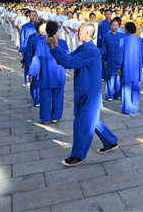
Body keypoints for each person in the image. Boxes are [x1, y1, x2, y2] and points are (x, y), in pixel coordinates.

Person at [47, 22, 119, 167]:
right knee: (93, 122)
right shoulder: (82, 48)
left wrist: (55, 45)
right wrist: (53, 46)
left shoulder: (91, 51)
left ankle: (77, 156)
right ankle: (111, 142)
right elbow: (67, 58)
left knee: (81, 125)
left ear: (87, 34)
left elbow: (70, 63)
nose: (77, 33)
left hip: (89, 96)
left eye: (79, 31)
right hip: (85, 92)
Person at [29, 21, 68, 124]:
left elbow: (37, 59)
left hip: (45, 74)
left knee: (45, 98)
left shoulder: (41, 43)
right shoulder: (62, 43)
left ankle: (46, 119)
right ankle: (55, 117)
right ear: (56, 30)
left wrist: (31, 73)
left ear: (46, 30)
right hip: (59, 74)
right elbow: (67, 57)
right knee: (58, 97)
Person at [117, 22, 143, 114]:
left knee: (126, 89)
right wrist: (142, 66)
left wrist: (118, 68)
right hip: (137, 69)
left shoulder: (122, 40)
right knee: (136, 89)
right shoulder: (139, 40)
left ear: (126, 30)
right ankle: (134, 109)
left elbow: (120, 56)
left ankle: (127, 109)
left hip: (126, 69)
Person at [101, 17, 126, 101]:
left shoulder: (122, 36)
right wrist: (105, 60)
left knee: (119, 76)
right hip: (110, 59)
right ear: (110, 26)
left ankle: (118, 94)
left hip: (120, 59)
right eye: (113, 25)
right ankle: (109, 95)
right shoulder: (106, 36)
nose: (115, 27)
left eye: (117, 25)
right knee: (110, 77)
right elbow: (104, 49)